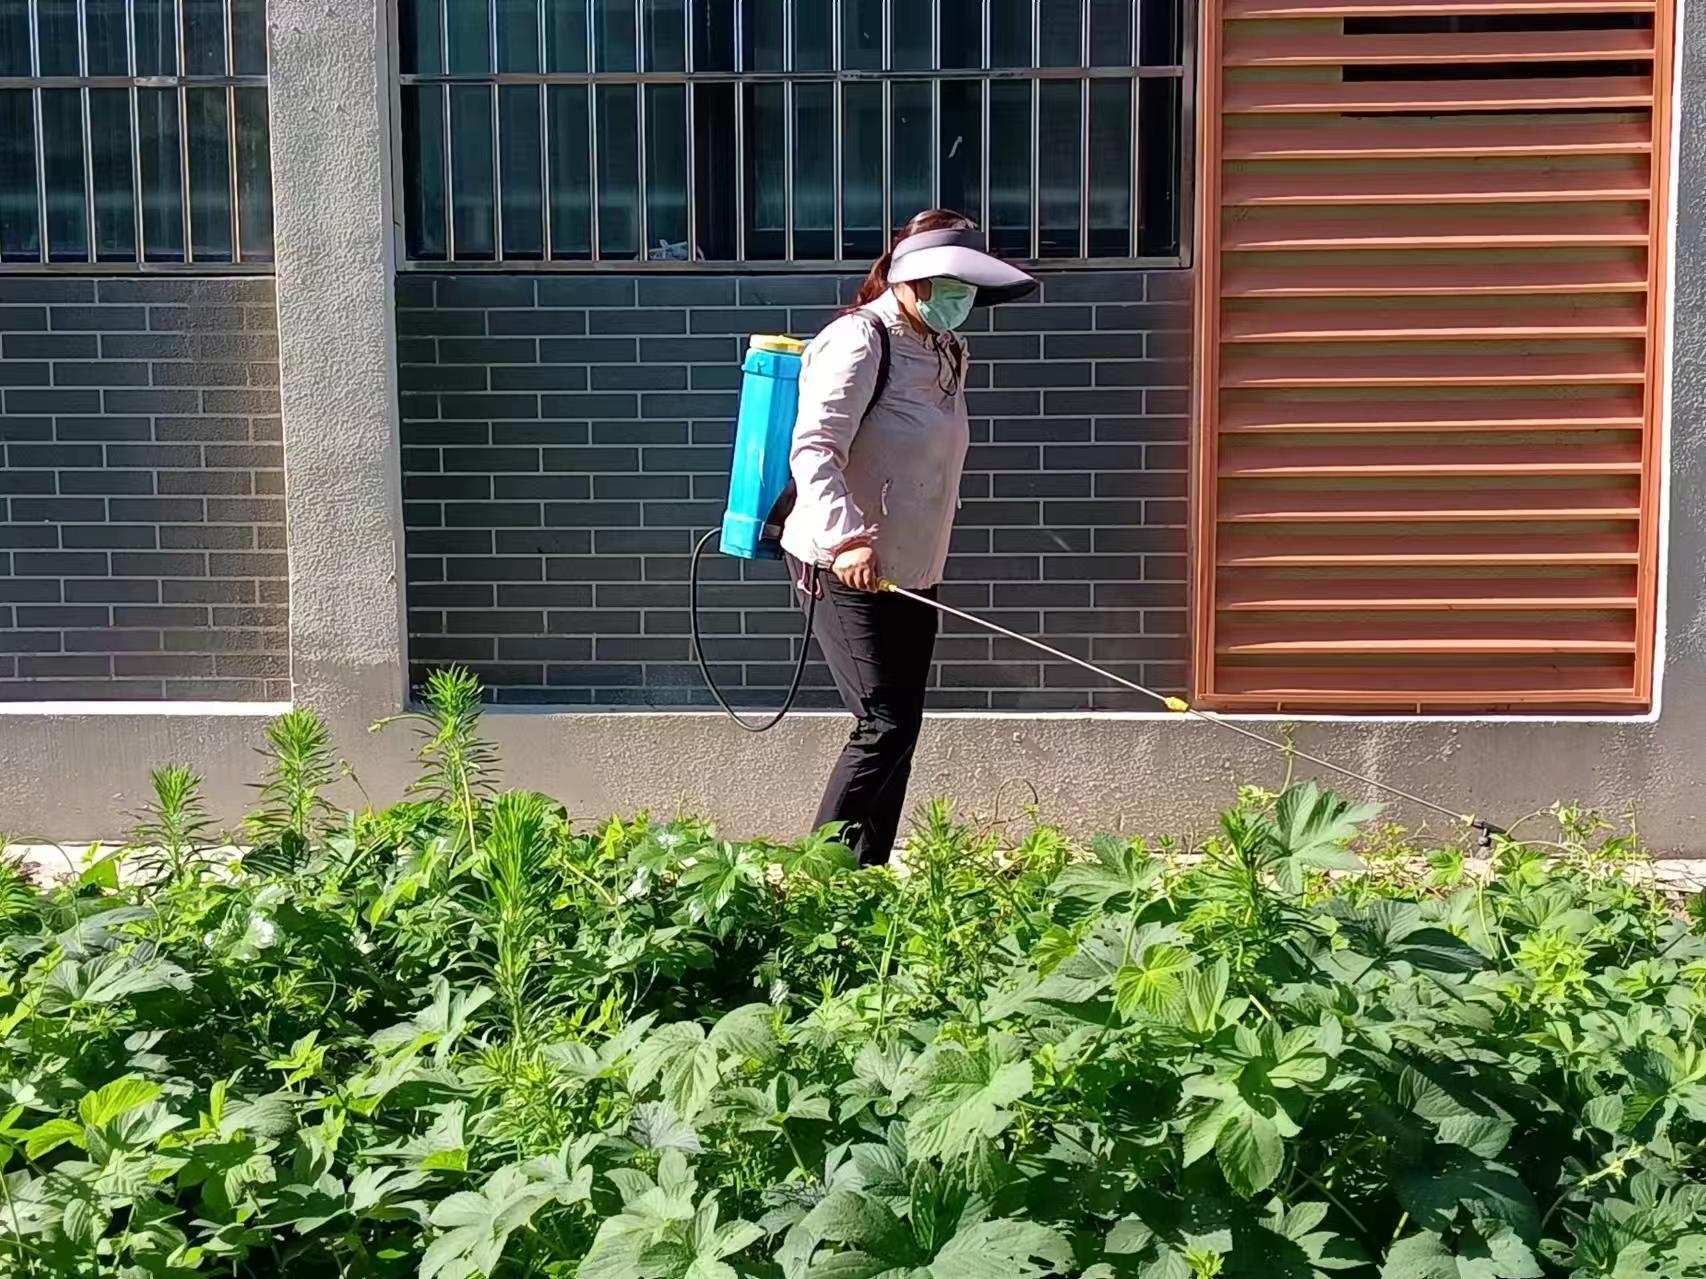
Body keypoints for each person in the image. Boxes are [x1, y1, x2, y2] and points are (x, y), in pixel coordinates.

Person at [779, 210, 1038, 866]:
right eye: (954, 285)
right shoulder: (861, 340)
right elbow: (812, 449)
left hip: (913, 567)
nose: (963, 301)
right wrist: (847, 541)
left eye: (970, 288)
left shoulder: (946, 349)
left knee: (902, 729)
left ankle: (865, 876)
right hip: (845, 564)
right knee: (881, 724)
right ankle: (820, 881)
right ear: (914, 281)